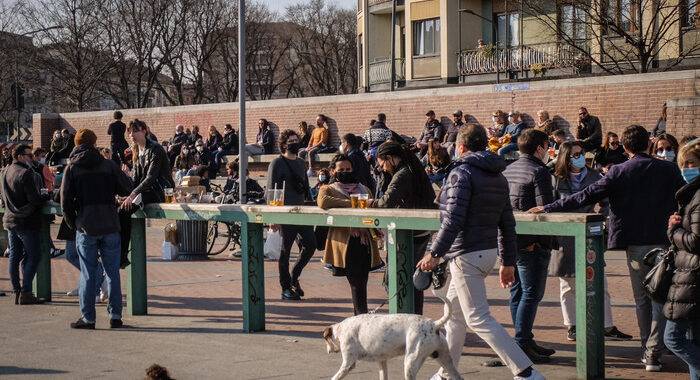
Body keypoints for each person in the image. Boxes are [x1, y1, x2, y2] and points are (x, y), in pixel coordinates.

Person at [528, 125, 685, 371]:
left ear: (624, 147)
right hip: (666, 240)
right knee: (663, 295)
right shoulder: (670, 169)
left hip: (635, 244)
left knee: (642, 298)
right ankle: (657, 347)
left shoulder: (618, 172)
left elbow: (585, 196)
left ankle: (649, 350)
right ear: (648, 145)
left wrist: (548, 208)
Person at [416, 124, 543, 380]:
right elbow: (507, 222)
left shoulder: (460, 174)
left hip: (464, 254)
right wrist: (507, 261)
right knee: (454, 316)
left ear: (460, 147)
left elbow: (452, 220)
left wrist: (435, 252)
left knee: (477, 318)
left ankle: (525, 371)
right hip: (486, 252)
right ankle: (446, 373)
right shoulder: (498, 175)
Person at [550, 141, 632, 342]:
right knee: (568, 284)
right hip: (565, 236)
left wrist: (601, 220)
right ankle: (573, 325)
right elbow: (551, 205)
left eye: (581, 153)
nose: (579, 157)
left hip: (588, 234)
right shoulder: (556, 179)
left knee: (598, 281)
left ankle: (606, 325)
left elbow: (606, 202)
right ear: (565, 158)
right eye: (574, 154)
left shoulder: (595, 175)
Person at [60, 129, 133, 329]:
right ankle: (115, 315)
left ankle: (88, 318)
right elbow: (127, 189)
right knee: (112, 273)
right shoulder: (108, 165)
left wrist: (74, 222)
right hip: (110, 223)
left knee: (88, 274)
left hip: (86, 225)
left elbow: (65, 202)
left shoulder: (72, 168)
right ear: (94, 143)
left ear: (76, 144)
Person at [502, 129, 557, 363]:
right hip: (532, 240)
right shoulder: (539, 171)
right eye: (547, 146)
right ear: (539, 148)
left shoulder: (507, 169)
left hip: (510, 240)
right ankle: (523, 342)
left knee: (518, 292)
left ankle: (523, 339)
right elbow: (545, 206)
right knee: (532, 293)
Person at [371, 141, 436, 314]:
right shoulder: (413, 170)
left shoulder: (403, 174)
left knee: (397, 277)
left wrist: (369, 203)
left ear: (390, 158)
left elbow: (385, 202)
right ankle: (415, 315)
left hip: (409, 233)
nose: (383, 169)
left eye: (382, 164)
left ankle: (405, 316)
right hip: (420, 230)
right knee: (413, 277)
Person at [318, 154, 383, 315]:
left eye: (348, 169)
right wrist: (355, 204)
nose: (345, 172)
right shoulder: (328, 189)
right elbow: (324, 202)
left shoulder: (364, 188)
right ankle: (361, 317)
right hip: (345, 243)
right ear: (333, 171)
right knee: (356, 283)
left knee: (362, 283)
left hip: (365, 241)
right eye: (341, 169)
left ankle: (360, 316)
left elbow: (372, 207)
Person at [664, 139, 700, 380]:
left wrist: (674, 231)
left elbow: (697, 241)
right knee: (692, 339)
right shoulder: (691, 194)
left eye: (692, 163)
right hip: (690, 277)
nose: (686, 168)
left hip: (692, 277)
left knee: (673, 338)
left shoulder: (697, 197)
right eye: (683, 164)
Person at [267, 129, 317, 300]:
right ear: (283, 144)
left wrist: (311, 209)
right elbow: (271, 190)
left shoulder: (301, 163)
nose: (295, 143)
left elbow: (306, 189)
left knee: (311, 245)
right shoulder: (277, 163)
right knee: (284, 252)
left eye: (296, 139)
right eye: (291, 141)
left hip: (302, 212)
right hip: (284, 213)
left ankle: (294, 276)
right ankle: (285, 287)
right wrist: (272, 217)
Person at [119, 119, 175, 268]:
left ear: (144, 131)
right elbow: (135, 179)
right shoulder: (137, 151)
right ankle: (119, 252)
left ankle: (122, 254)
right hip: (144, 191)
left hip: (158, 191)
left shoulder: (155, 149)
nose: (132, 135)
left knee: (124, 211)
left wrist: (132, 195)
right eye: (130, 132)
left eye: (135, 131)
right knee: (119, 208)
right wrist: (125, 192)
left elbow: (151, 178)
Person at [1, 144, 51, 304]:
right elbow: (34, 199)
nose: (33, 158)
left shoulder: (5, 172)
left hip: (10, 219)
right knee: (35, 255)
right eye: (30, 156)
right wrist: (47, 196)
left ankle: (17, 291)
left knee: (14, 256)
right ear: (21, 156)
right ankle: (26, 291)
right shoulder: (26, 174)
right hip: (26, 221)